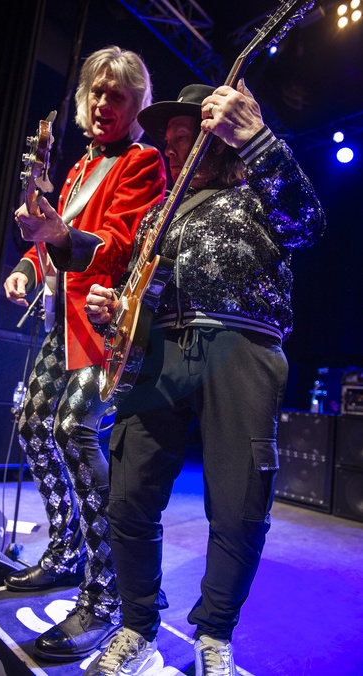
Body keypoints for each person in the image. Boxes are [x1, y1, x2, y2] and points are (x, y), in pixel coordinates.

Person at [84, 80, 326, 675]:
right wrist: (116, 308)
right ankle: (137, 625)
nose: (170, 149)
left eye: (183, 138)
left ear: (215, 139)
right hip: (160, 354)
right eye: (167, 140)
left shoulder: (258, 187)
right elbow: (139, 295)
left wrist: (258, 139)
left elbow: (307, 224)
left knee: (240, 505)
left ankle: (215, 634)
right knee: (128, 495)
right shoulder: (156, 216)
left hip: (242, 343)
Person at [3, 45, 166, 661]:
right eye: (96, 92)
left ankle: (106, 591)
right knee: (31, 423)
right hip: (61, 319)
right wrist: (26, 265)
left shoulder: (143, 162)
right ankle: (67, 547)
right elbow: (49, 240)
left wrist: (59, 235)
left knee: (72, 431)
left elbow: (122, 244)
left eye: (117, 95)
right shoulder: (78, 167)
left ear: (136, 105)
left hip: (103, 324)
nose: (103, 103)